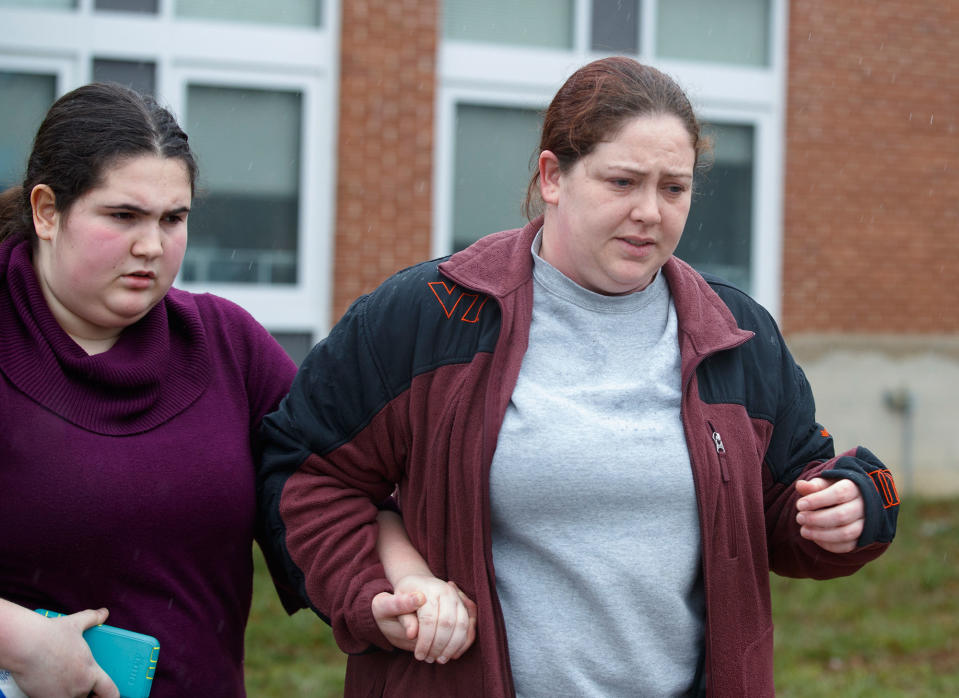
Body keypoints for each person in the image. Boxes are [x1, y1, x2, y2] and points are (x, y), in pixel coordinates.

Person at [258, 56, 900, 696]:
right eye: (622, 182)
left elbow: (796, 497)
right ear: (552, 177)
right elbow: (305, 472)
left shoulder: (736, 334)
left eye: (673, 188)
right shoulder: (429, 315)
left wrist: (860, 501)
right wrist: (375, 593)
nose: (650, 211)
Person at [0, 82, 473, 698]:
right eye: (122, 216)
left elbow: (331, 482)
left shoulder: (227, 345)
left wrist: (403, 583)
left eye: (174, 219)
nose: (151, 246)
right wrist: (18, 639)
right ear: (46, 211)